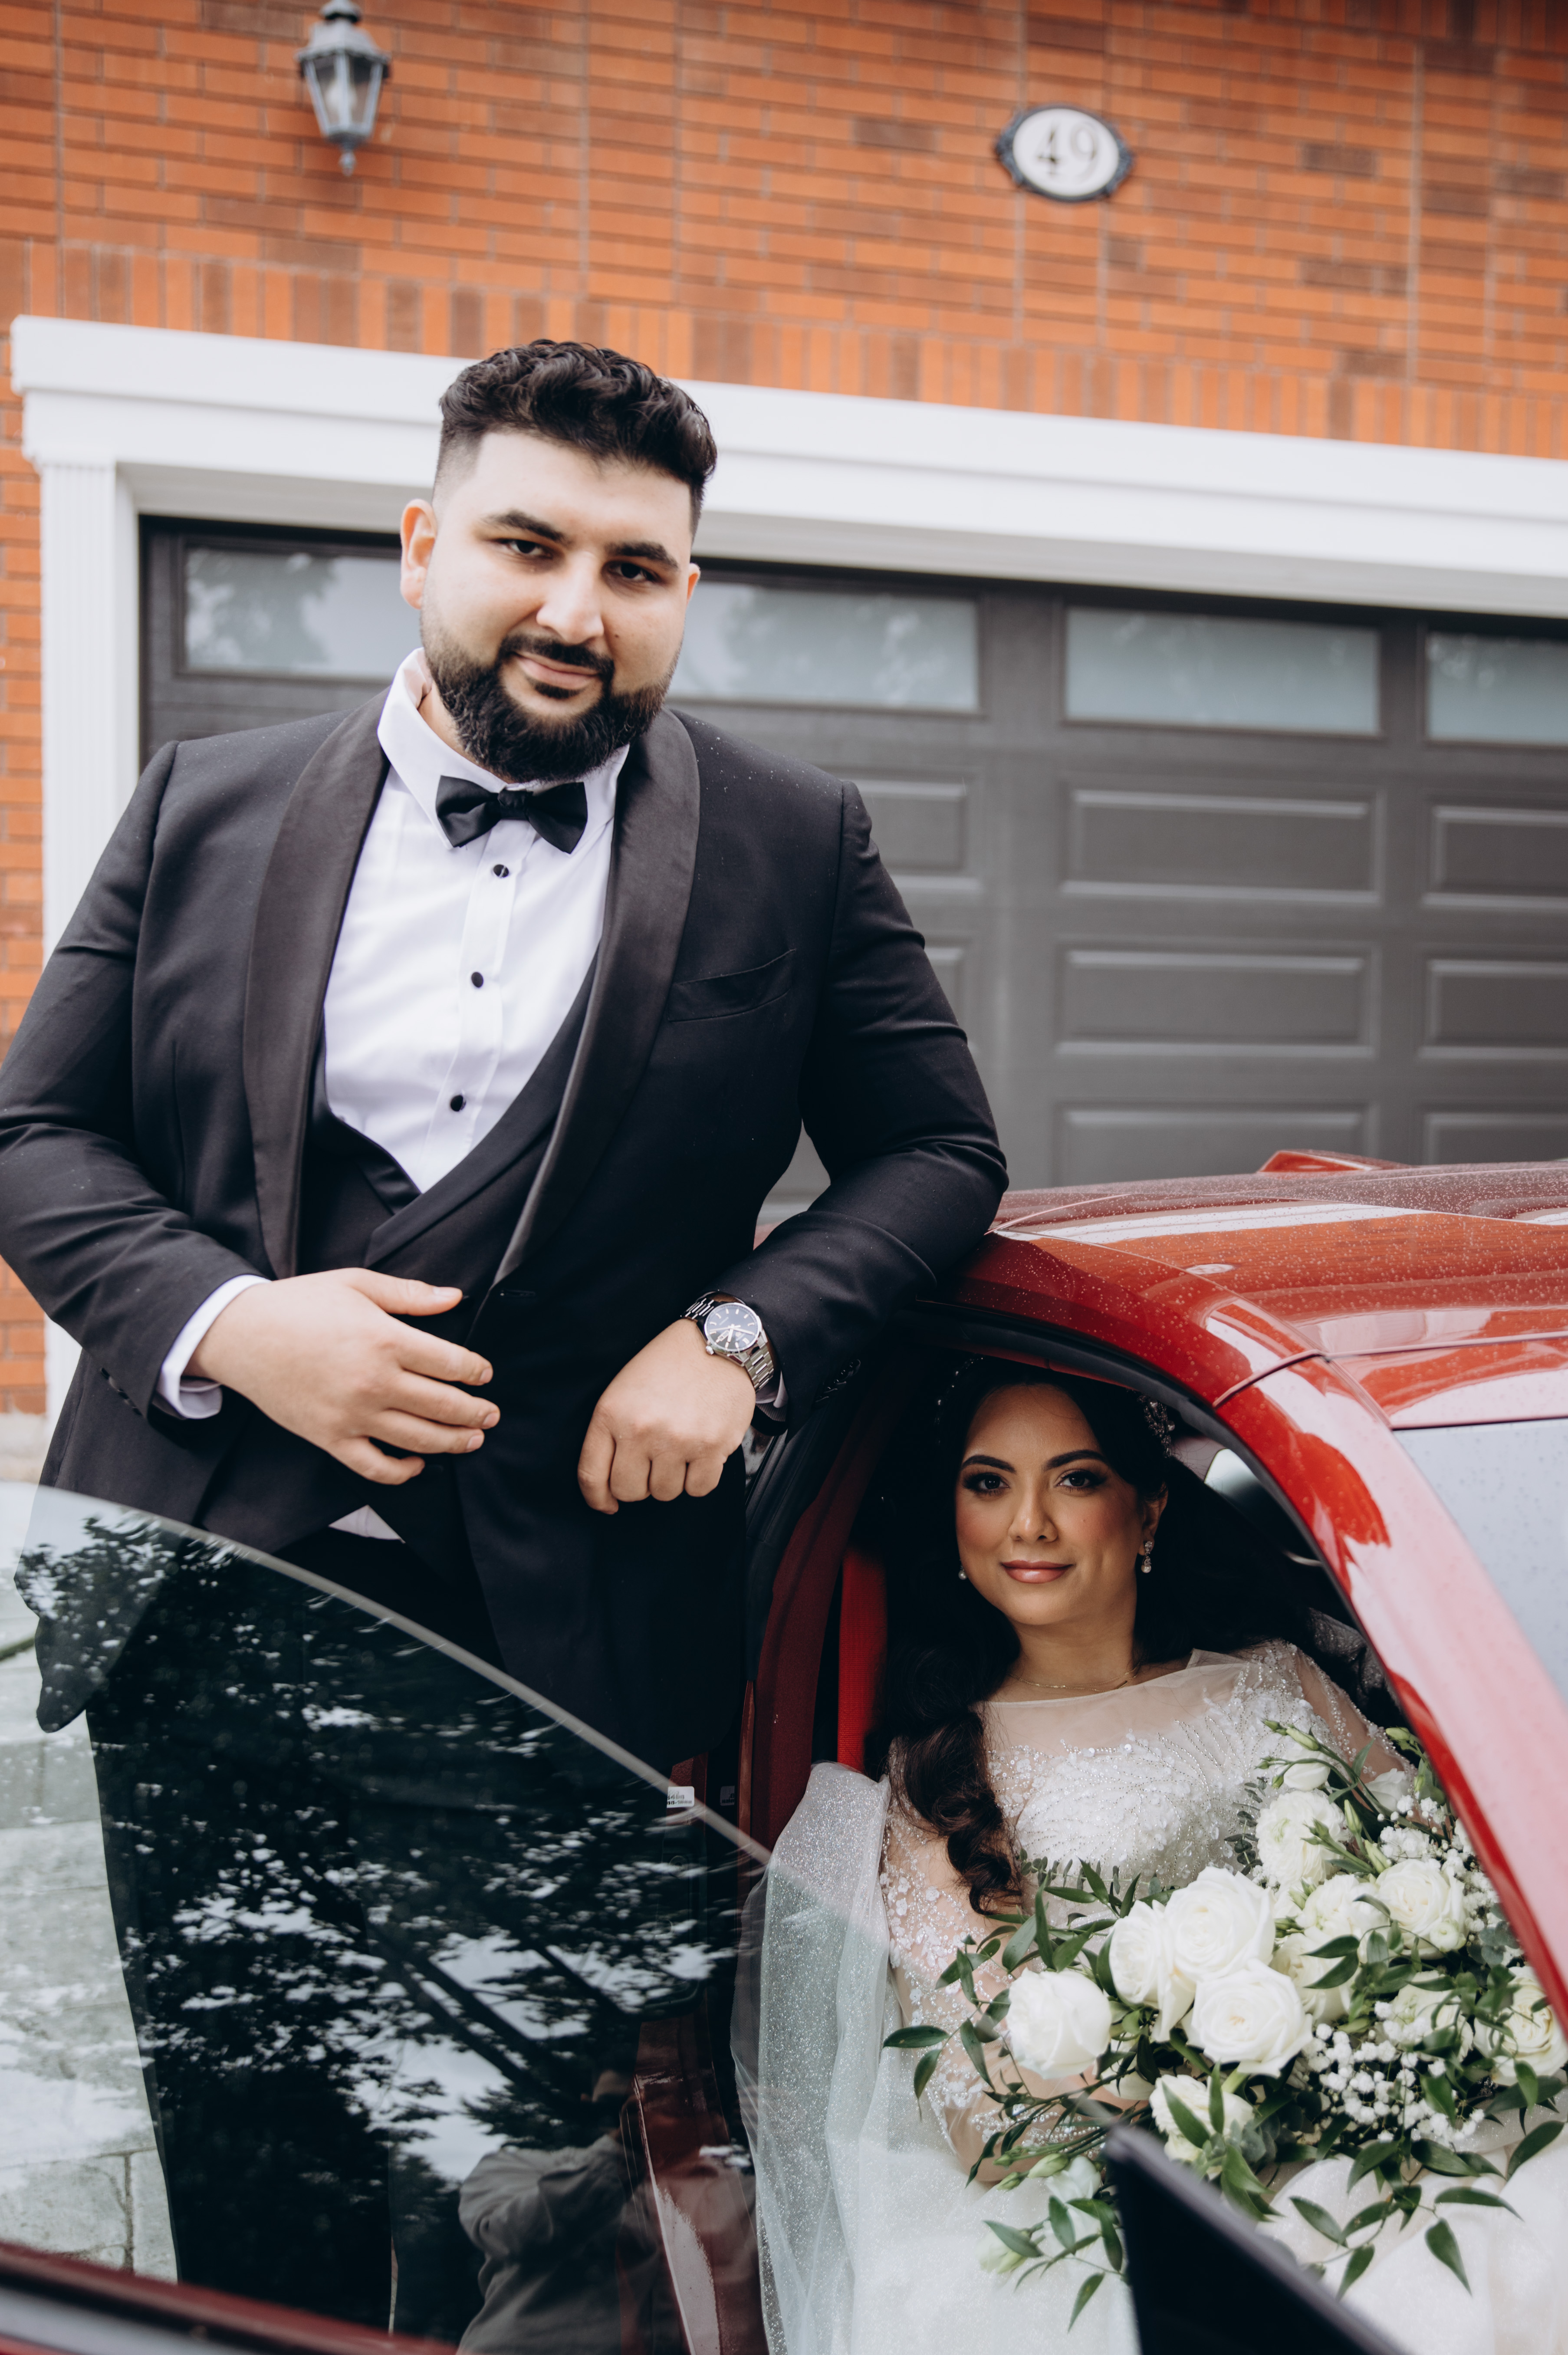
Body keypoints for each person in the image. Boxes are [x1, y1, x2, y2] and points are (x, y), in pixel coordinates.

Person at [0, 340, 1005, 2322]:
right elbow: (36, 1132)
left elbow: (938, 1151)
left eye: (636, 568)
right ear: (420, 544)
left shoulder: (796, 841)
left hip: (565, 1656)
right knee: (250, 2178)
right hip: (207, 1627)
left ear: (686, 588)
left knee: (522, 2215)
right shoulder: (203, 804)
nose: (575, 609)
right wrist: (228, 1318)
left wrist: (741, 1331)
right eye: (526, 546)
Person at [743, 1359, 1568, 2355]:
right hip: (1136, 2203)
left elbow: (1455, 1879)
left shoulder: (1278, 1680)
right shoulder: (945, 1776)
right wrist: (1233, 2076)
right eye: (989, 1482)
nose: (1028, 1523)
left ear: (1148, 1511)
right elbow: (980, 2117)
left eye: (1076, 1478)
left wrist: (1369, 2035)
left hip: (1395, 2111)